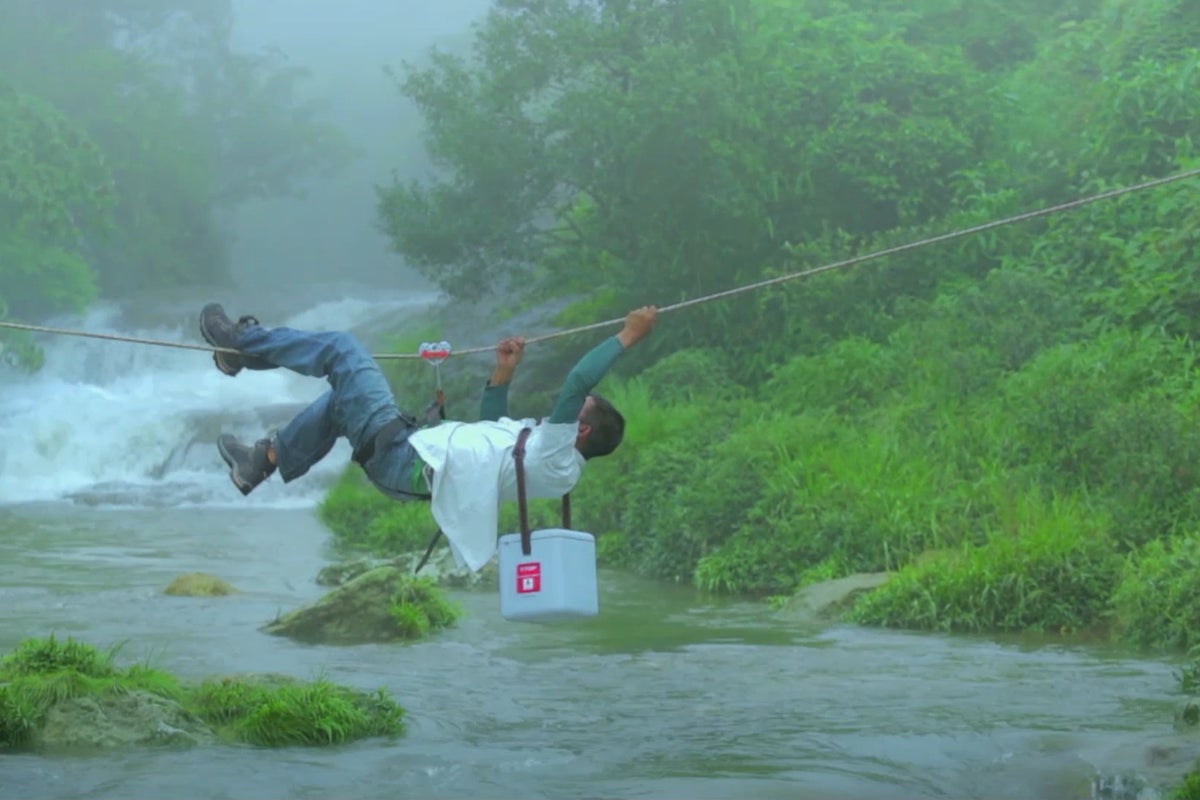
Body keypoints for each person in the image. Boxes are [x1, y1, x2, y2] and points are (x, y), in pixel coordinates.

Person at [199, 302, 658, 571]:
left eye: (578, 410)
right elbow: (491, 428)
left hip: (405, 459)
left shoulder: (560, 458)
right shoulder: (545, 456)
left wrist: (628, 335)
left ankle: (241, 344)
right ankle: (264, 459)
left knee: (345, 351)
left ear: (580, 429)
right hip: (406, 458)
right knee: (343, 399)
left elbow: (578, 380)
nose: (564, 407)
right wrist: (504, 372)